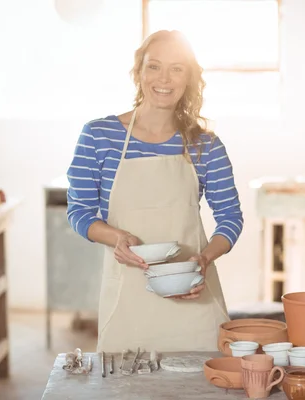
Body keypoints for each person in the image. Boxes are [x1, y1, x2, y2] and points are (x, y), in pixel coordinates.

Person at [65, 30, 243, 353]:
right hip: (127, 305)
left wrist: (204, 259)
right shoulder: (98, 136)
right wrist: (115, 237)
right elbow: (79, 211)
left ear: (189, 78)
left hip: (193, 297)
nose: (164, 79)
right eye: (154, 66)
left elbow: (231, 219)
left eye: (177, 68)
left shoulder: (207, 146)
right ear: (138, 72)